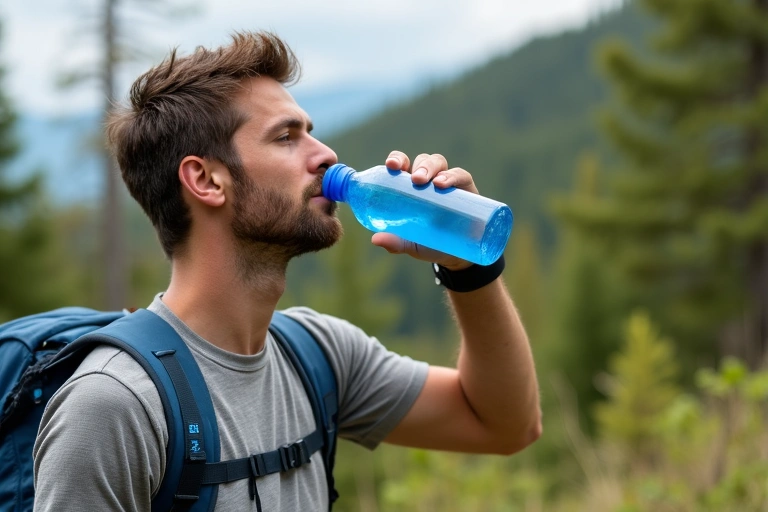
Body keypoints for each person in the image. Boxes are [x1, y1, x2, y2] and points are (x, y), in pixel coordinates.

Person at [33, 31, 541, 511]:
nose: (325, 155)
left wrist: (466, 269)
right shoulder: (112, 406)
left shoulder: (318, 356)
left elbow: (503, 425)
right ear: (206, 179)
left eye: (311, 133)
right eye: (286, 137)